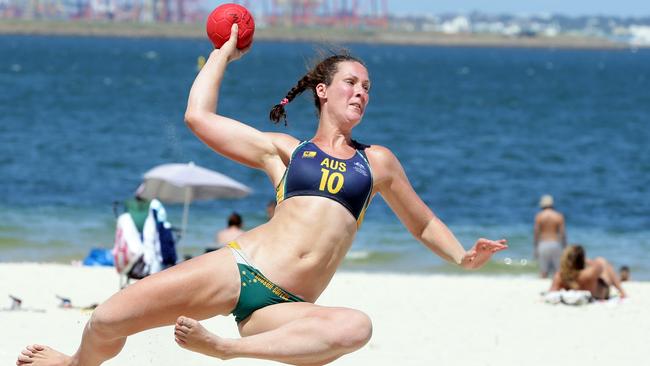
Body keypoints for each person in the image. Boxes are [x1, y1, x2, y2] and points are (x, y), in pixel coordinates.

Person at [17, 25, 508, 366]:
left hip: (281, 309)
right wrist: (221, 55)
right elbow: (198, 117)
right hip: (239, 267)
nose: (361, 92)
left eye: (368, 87)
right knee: (107, 318)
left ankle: (226, 350)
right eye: (351, 83)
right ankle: (75, 362)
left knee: (356, 328)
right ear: (322, 91)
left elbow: (421, 223)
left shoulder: (376, 162)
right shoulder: (286, 153)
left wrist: (464, 257)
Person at [550, 245, 626, 300]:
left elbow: (551, 292)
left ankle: (622, 292)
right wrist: (587, 261)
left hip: (591, 289)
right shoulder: (588, 274)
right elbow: (600, 265)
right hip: (602, 293)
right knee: (601, 260)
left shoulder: (561, 276)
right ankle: (622, 292)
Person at [533, 194, 566, 278]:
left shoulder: (539, 216)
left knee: (543, 271)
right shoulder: (558, 216)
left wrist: (535, 247)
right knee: (558, 272)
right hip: (555, 243)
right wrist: (565, 247)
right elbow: (563, 233)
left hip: (543, 244)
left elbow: (536, 233)